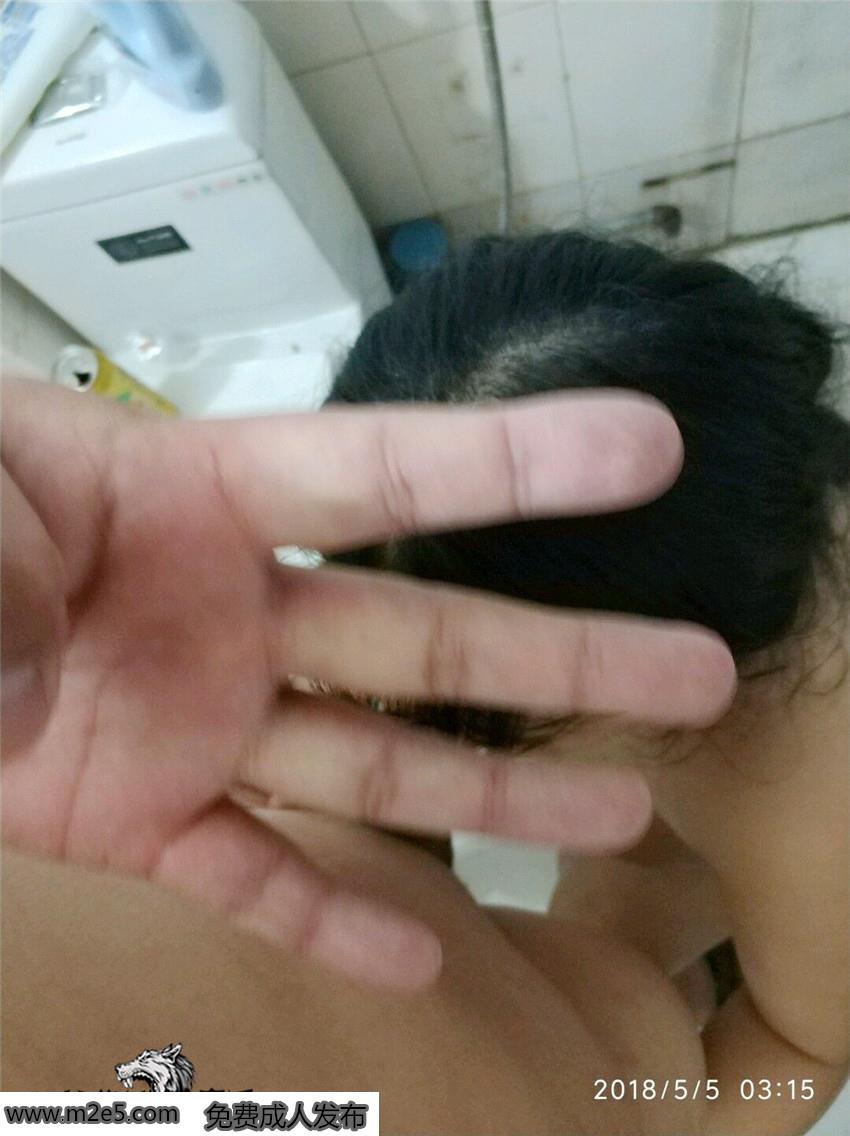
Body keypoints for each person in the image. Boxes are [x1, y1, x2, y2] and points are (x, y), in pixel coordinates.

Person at [2, 229, 847, 1135]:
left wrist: (656, 1109)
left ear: (633, 680)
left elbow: (801, 1050)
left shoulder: (816, 847)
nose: (385, 702)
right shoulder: (749, 481)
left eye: (476, 718)